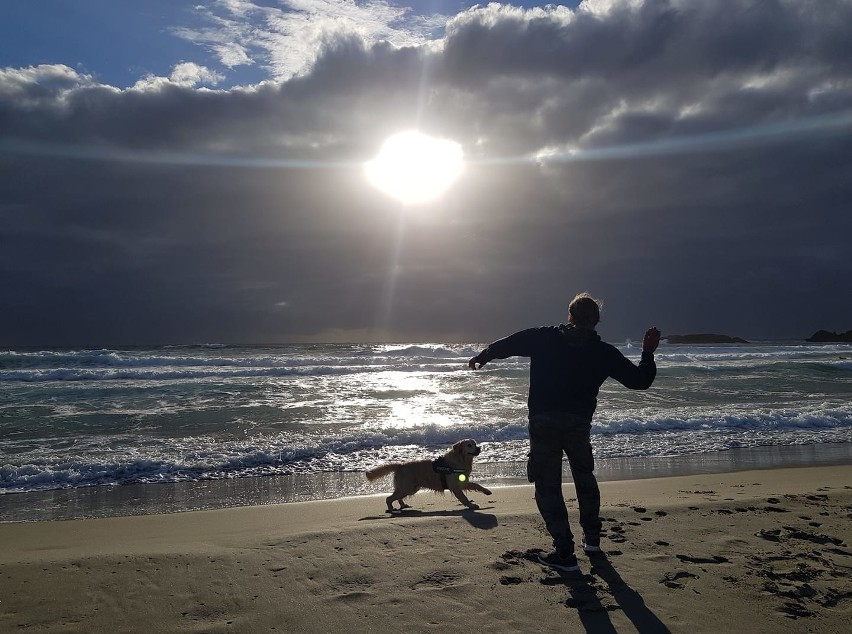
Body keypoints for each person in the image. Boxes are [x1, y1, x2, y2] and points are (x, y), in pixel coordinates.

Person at [468, 292, 661, 572]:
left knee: (547, 484)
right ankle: (592, 540)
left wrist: (483, 356)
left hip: (543, 422)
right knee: (584, 477)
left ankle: (564, 552)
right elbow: (640, 381)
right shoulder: (603, 352)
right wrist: (647, 352)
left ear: (569, 314)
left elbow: (509, 344)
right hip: (578, 424)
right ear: (596, 320)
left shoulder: (544, 337)